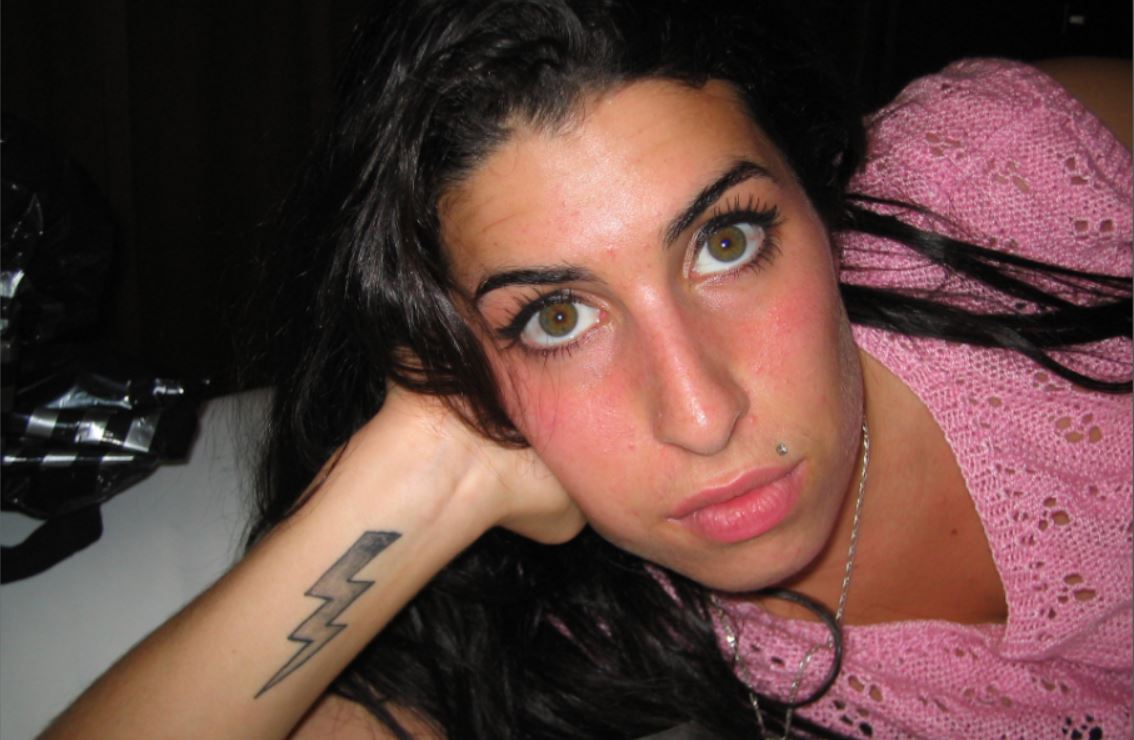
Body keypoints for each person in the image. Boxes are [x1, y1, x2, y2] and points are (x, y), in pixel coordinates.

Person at [42, 1, 1131, 737]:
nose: (701, 414)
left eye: (727, 241)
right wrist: (424, 474)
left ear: (817, 196)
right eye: (557, 316)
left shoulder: (1018, 174)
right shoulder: (557, 662)